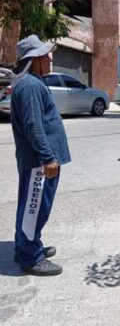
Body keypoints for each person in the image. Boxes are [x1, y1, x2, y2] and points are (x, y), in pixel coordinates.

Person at [10, 35, 71, 276]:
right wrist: (48, 158)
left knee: (30, 206)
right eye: (44, 56)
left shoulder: (32, 82)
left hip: (39, 161)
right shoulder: (30, 86)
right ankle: (30, 257)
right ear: (33, 60)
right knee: (34, 208)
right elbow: (33, 126)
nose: (49, 59)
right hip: (39, 162)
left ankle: (26, 246)